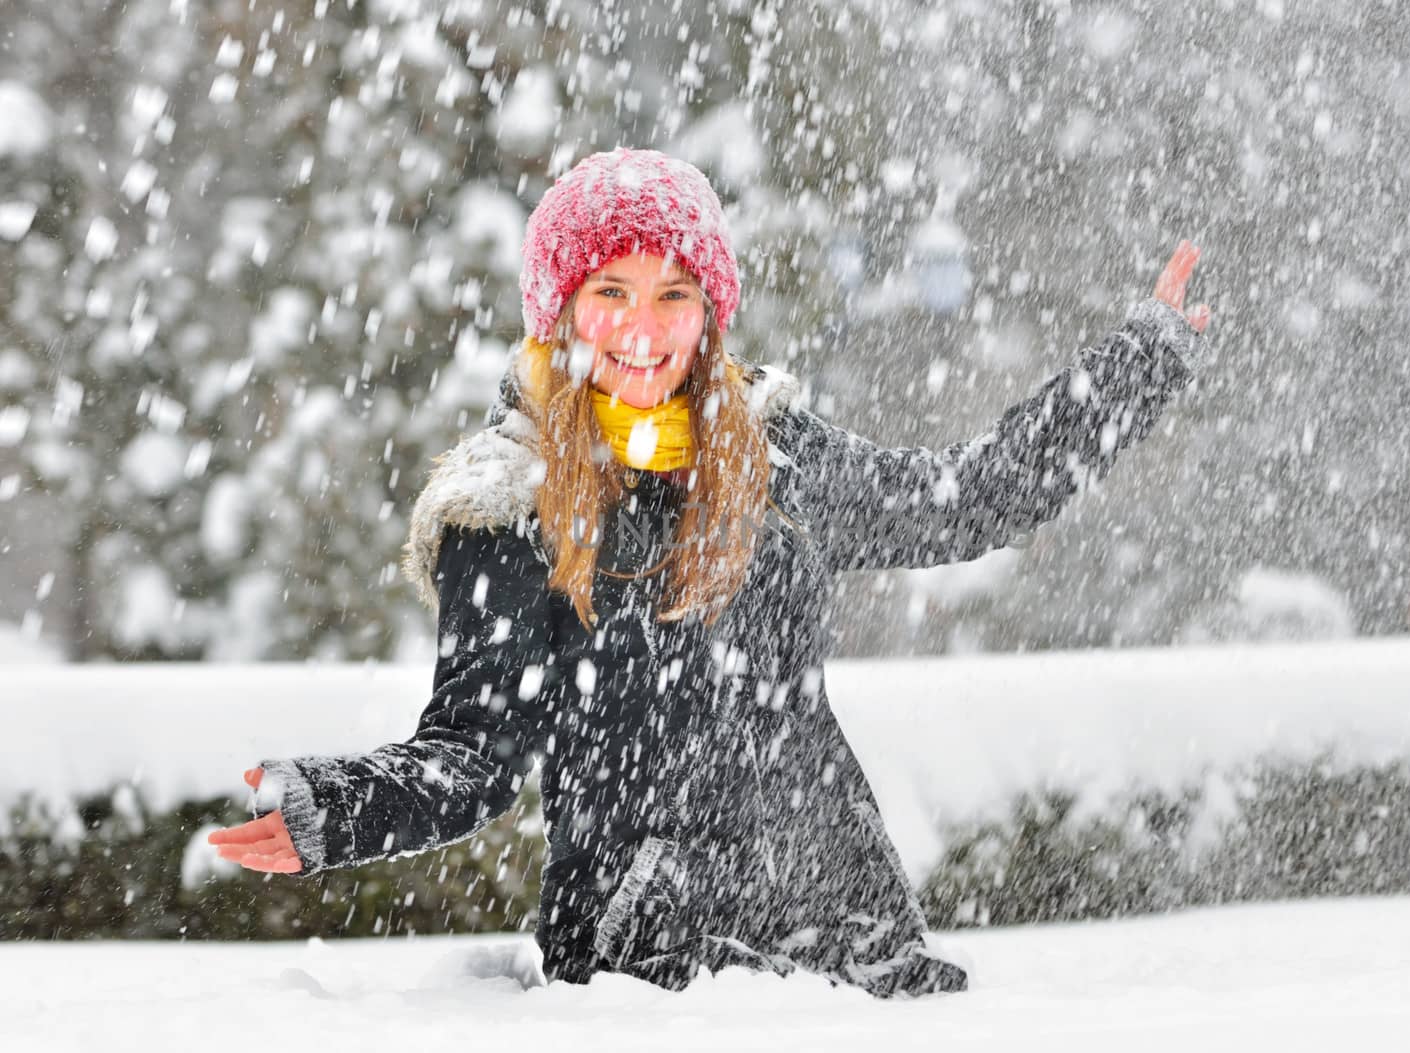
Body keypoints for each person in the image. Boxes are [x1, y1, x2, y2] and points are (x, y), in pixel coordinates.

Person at [208, 147, 1213, 997]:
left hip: (838, 930)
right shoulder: (509, 507)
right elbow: (474, 758)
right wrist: (334, 807)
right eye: (610, 292)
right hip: (644, 964)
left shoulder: (773, 463)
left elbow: (972, 496)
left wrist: (1138, 360)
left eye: (672, 295)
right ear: (560, 310)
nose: (643, 328)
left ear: (709, 312)